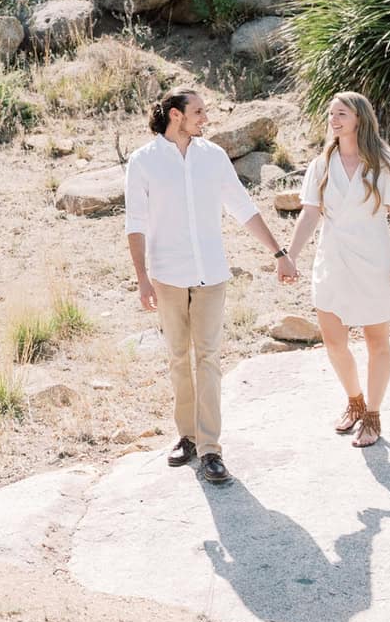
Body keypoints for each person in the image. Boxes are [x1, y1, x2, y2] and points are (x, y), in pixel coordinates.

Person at [125, 89, 297, 486]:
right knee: (177, 357)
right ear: (175, 116)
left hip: (211, 275)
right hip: (167, 275)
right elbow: (134, 223)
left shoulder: (213, 157)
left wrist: (279, 252)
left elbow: (243, 208)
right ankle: (185, 436)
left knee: (209, 357)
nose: (206, 118)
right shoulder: (143, 162)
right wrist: (142, 278)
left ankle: (211, 449)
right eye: (198, 112)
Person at [281, 91, 390, 449]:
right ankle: (354, 400)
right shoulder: (321, 164)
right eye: (330, 113)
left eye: (341, 113)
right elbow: (310, 213)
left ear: (359, 118)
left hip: (375, 260)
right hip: (332, 259)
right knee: (334, 341)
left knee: (376, 341)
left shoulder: (384, 162)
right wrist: (289, 255)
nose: (333, 119)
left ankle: (373, 414)